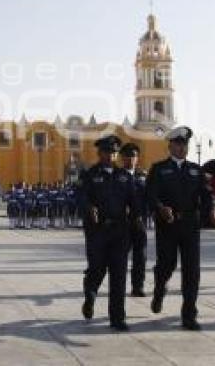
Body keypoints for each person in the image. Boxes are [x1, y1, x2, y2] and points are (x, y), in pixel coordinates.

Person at [147, 126, 215, 331]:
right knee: (166, 265)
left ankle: (189, 315)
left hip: (190, 226)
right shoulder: (159, 169)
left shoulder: (196, 170)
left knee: (192, 271)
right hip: (167, 225)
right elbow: (151, 195)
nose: (182, 148)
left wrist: (211, 209)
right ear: (170, 146)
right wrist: (160, 208)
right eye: (178, 144)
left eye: (184, 144)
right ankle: (160, 288)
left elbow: (206, 194)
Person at [79, 135, 138, 331]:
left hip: (120, 231)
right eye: (107, 152)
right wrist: (89, 208)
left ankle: (117, 318)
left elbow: (134, 201)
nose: (110, 156)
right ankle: (90, 294)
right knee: (97, 269)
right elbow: (81, 196)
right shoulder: (89, 175)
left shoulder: (125, 176)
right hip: (97, 231)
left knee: (119, 275)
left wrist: (137, 218)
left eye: (114, 152)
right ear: (99, 153)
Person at [119, 142, 148, 297]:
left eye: (134, 156)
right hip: (122, 224)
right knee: (120, 257)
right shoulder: (117, 176)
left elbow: (149, 196)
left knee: (140, 256)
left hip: (139, 222)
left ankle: (138, 286)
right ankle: (119, 286)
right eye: (128, 156)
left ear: (137, 158)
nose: (131, 159)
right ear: (122, 158)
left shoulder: (142, 176)